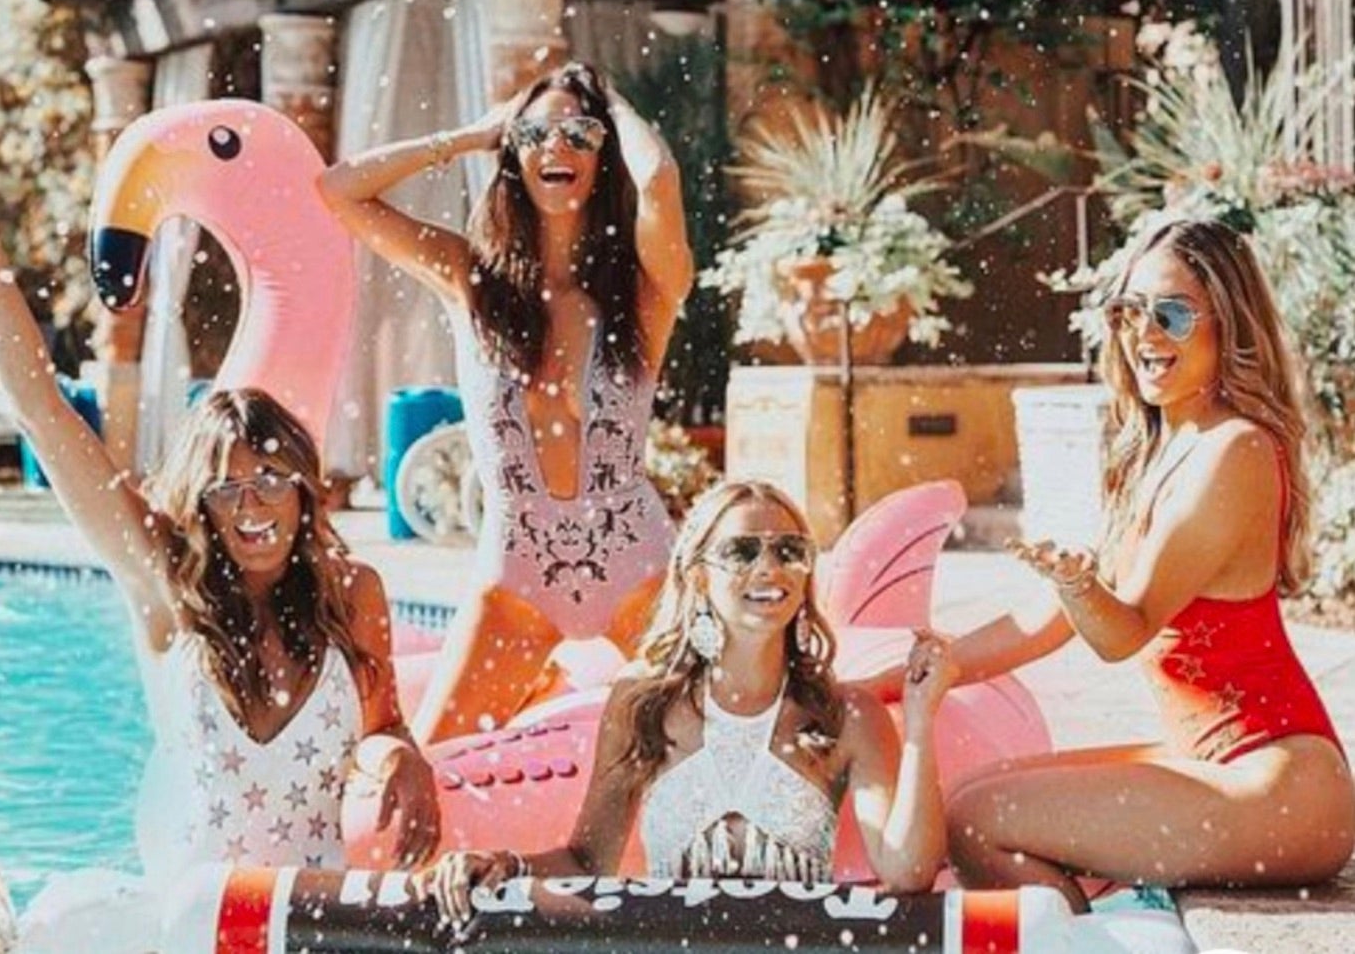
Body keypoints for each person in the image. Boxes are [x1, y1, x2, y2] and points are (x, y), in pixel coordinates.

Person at [0, 129, 439, 886]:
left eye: (272, 478)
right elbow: (40, 407)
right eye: (228, 485)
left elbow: (382, 727)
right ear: (200, 501)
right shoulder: (165, 584)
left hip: (314, 917)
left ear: (304, 490)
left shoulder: (350, 594)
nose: (252, 504)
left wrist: (404, 761)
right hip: (191, 920)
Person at [867, 217, 1353, 910]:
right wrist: (899, 677)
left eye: (1174, 314)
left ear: (1229, 323)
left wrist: (1078, 584)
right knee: (972, 805)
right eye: (1129, 313)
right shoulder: (1160, 449)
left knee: (979, 821)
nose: (1145, 335)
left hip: (1278, 785)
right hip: (1216, 770)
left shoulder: (1234, 450)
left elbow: (1120, 630)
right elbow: (1047, 621)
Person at [318, 60, 695, 742]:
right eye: (538, 133)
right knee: (430, 771)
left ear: (605, 153)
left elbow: (660, 180)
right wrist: (468, 136)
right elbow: (340, 190)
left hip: (638, 566)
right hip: (519, 577)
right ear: (511, 150)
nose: (559, 148)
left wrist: (608, 96)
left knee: (707, 751)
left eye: (582, 134)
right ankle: (541, 690)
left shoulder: (642, 294)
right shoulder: (471, 282)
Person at [423, 479, 954, 924]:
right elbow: (587, 859)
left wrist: (920, 723)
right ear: (697, 574)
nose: (769, 568)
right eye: (743, 551)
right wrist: (505, 865)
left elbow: (907, 871)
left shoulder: (847, 716)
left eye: (788, 551)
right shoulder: (643, 705)